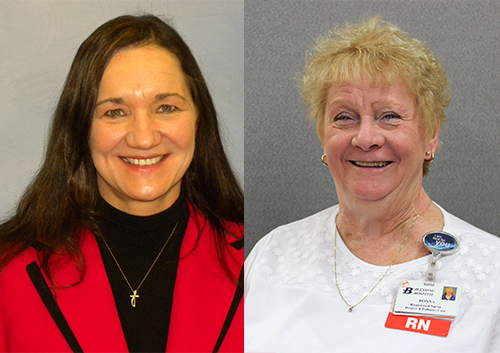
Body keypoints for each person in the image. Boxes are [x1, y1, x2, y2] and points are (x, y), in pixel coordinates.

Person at [245, 17, 500, 352]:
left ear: (431, 135)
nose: (365, 138)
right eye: (344, 117)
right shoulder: (272, 255)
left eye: (389, 116)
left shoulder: (491, 276)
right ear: (324, 135)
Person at [0, 14, 243, 353]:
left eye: (167, 107)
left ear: (198, 120)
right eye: (115, 112)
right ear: (81, 127)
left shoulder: (261, 263)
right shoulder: (8, 273)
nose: (144, 138)